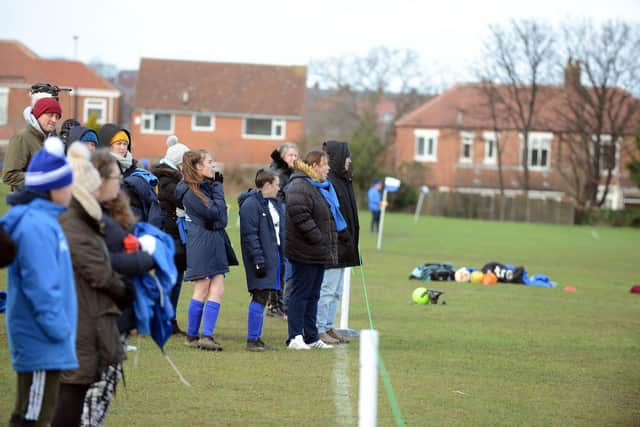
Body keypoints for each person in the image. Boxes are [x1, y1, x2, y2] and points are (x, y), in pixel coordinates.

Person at [0, 137, 78, 427]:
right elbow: (42, 286)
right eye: (68, 183)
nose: (72, 189)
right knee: (34, 417)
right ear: (53, 188)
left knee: (32, 413)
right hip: (43, 338)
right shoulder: (36, 225)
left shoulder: (45, 221)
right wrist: (59, 329)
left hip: (46, 337)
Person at [53, 142, 127, 427]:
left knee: (77, 392)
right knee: (72, 394)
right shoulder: (75, 224)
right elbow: (100, 272)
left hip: (88, 318)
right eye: (95, 188)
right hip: (82, 321)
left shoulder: (83, 222)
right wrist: (124, 289)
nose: (100, 193)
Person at [176, 149, 238, 351]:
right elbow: (215, 214)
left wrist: (216, 191)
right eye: (210, 162)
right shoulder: (191, 191)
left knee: (217, 288)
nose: (214, 165)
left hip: (213, 240)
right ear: (198, 167)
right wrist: (219, 189)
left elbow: (221, 218)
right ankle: (194, 336)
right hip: (202, 242)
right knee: (202, 288)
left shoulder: (205, 187)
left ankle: (206, 336)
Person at [285, 150, 341, 350]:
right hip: (304, 250)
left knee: (313, 294)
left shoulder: (316, 186)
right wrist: (319, 238)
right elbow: (300, 215)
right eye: (325, 164)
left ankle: (311, 336)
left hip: (317, 251)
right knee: (301, 293)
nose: (328, 168)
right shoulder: (300, 185)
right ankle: (295, 337)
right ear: (315, 165)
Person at [317, 140, 361, 345]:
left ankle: (328, 326)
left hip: (345, 246)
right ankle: (319, 328)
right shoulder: (331, 182)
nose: (349, 160)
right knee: (327, 288)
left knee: (336, 291)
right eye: (347, 156)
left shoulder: (344, 180)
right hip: (334, 245)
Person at [238, 169, 284, 352]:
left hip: (273, 257)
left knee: (265, 295)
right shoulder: (250, 205)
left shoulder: (272, 204)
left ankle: (257, 338)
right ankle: (251, 339)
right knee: (260, 294)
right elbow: (250, 236)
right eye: (277, 184)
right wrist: (258, 259)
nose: (279, 188)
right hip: (260, 258)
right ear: (267, 185)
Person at [150, 135, 190, 335]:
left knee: (176, 278)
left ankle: (170, 320)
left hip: (176, 235)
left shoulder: (173, 180)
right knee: (168, 279)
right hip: (168, 234)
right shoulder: (167, 181)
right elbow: (185, 201)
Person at [99, 123, 164, 229]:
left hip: (138, 222)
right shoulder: (104, 167)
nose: (122, 147)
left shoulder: (134, 167)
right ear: (109, 146)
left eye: (125, 144)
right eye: (118, 143)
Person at [2, 97, 63, 190]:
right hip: (27, 202)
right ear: (38, 115)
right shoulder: (22, 138)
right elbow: (9, 175)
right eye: (50, 115)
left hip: (44, 201)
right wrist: (43, 177)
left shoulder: (49, 140)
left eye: (57, 116)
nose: (54, 120)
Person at [268, 142, 299, 317]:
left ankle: (278, 304)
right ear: (282, 157)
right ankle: (275, 305)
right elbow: (277, 199)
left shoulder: (292, 173)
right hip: (278, 225)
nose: (294, 159)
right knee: (279, 264)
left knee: (284, 264)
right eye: (290, 155)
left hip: (288, 224)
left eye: (296, 155)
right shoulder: (278, 174)